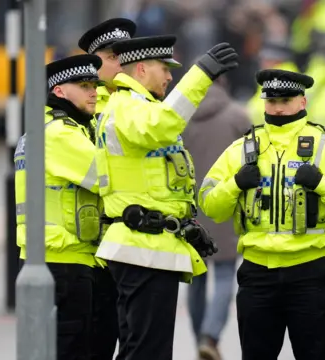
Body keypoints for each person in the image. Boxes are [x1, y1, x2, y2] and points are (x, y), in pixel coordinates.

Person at [199, 69, 325, 360]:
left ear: (302, 102)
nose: (278, 108)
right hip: (257, 275)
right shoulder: (242, 149)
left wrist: (321, 183)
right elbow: (209, 205)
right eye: (271, 100)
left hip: (309, 272)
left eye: (286, 100)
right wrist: (235, 184)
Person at [93, 34, 238, 360]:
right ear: (141, 69)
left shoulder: (140, 108)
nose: (171, 77)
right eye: (165, 69)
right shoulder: (127, 106)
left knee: (140, 349)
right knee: (148, 352)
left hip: (151, 248)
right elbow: (160, 127)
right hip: (141, 250)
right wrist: (201, 74)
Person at [14, 54, 104, 360]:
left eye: (94, 84)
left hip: (45, 256)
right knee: (72, 349)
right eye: (84, 85)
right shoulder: (62, 135)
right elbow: (109, 179)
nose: (94, 91)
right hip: (66, 259)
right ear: (60, 92)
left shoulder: (39, 130)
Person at [77, 17, 136, 360]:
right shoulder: (86, 106)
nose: (121, 63)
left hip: (130, 242)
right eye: (113, 57)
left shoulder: (140, 103)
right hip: (93, 249)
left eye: (125, 56)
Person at [181, 79, 251, 360]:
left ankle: (200, 337)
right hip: (226, 206)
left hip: (191, 210)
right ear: (224, 82)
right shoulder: (237, 116)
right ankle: (210, 337)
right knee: (224, 275)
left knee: (196, 281)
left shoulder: (181, 118)